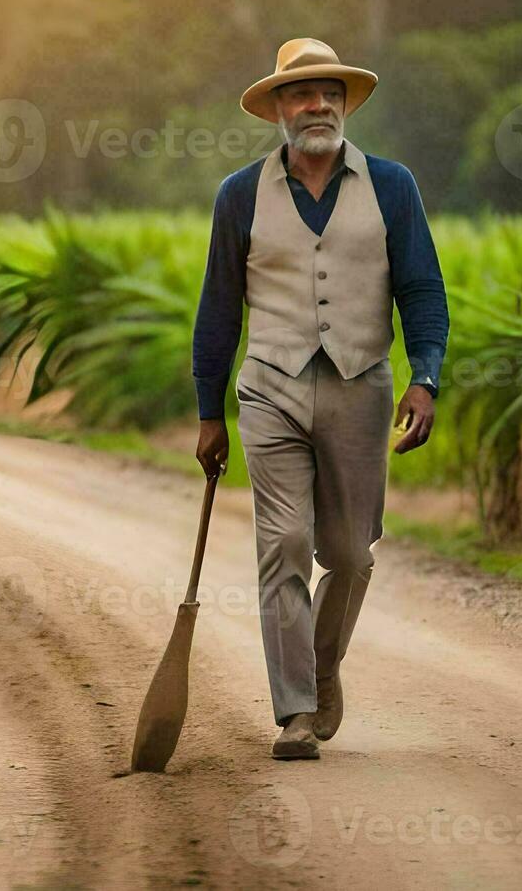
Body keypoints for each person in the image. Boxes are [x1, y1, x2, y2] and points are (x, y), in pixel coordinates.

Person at [192, 38, 449, 760]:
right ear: (277, 107)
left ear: (343, 104)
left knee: (351, 555)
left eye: (329, 94)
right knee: (285, 544)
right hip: (269, 387)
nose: (318, 105)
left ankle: (322, 665)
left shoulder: (392, 186)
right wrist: (210, 412)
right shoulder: (239, 194)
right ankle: (296, 712)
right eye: (302, 94)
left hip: (360, 385)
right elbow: (218, 311)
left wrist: (425, 378)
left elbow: (423, 290)